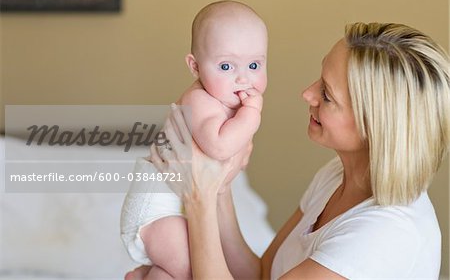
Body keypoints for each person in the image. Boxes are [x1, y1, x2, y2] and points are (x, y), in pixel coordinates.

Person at [139, 22, 449, 279]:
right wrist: (219, 188)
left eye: (326, 95)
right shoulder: (337, 175)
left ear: (375, 127)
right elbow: (262, 273)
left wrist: (199, 201)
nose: (307, 93)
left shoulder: (383, 236)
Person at [120, 0, 268, 280]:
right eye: (226, 66)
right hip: (153, 213)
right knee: (195, 269)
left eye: (254, 64)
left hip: (176, 212)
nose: (243, 78)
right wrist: (252, 114)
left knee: (187, 268)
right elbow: (219, 145)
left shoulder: (223, 104)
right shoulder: (199, 100)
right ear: (195, 67)